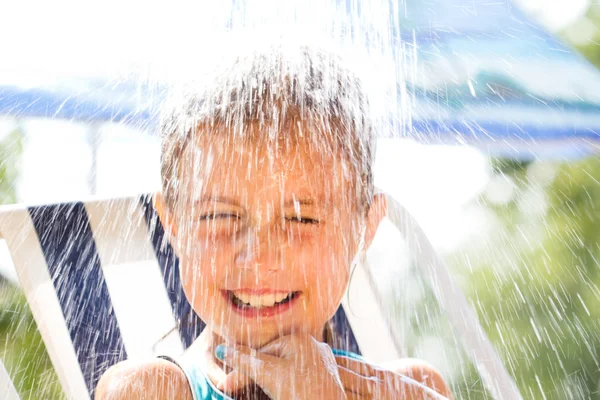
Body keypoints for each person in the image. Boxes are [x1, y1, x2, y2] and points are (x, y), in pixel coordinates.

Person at [95, 41, 452, 400]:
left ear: (365, 228)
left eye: (302, 219)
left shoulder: (410, 391)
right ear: (173, 224)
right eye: (219, 216)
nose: (258, 258)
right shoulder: (150, 391)